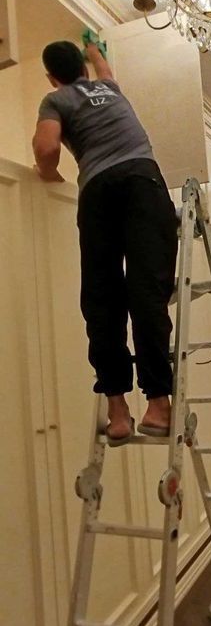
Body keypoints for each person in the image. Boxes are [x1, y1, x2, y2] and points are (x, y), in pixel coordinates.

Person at [32, 39, 177, 447]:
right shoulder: (110, 88)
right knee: (147, 292)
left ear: (52, 76)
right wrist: (93, 49)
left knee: (102, 299)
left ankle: (118, 410)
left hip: (98, 191)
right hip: (142, 180)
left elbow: (46, 147)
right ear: (83, 68)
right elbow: (105, 69)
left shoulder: (55, 99)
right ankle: (158, 405)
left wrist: (48, 174)